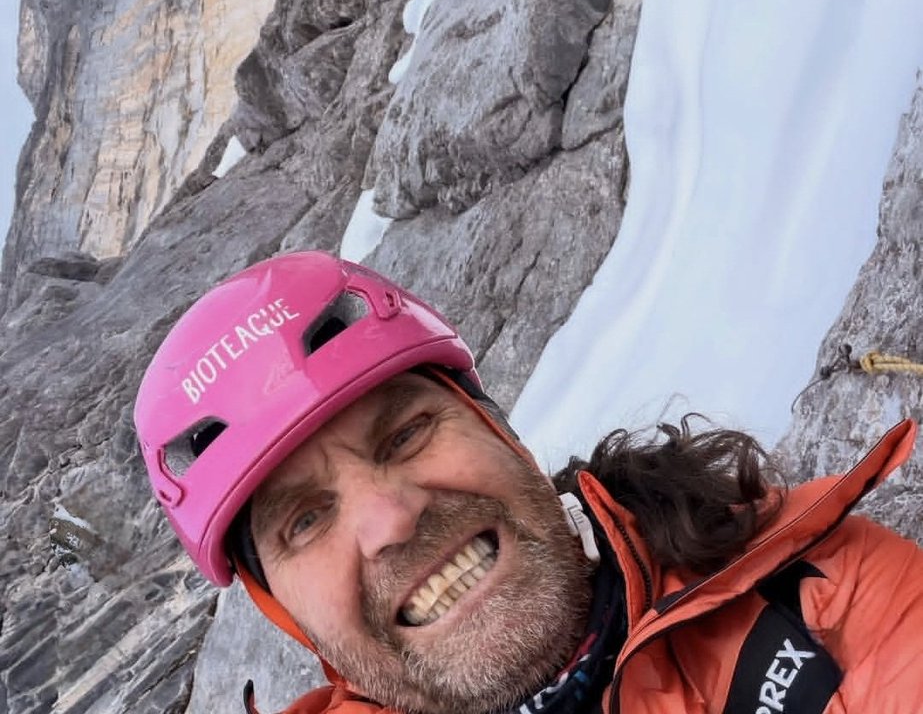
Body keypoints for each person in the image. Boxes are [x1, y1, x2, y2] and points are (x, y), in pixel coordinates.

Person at [135, 251, 923, 714]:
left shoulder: (820, 595)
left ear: (499, 432)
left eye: (407, 434)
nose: (389, 521)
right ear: (281, 612)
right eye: (304, 521)